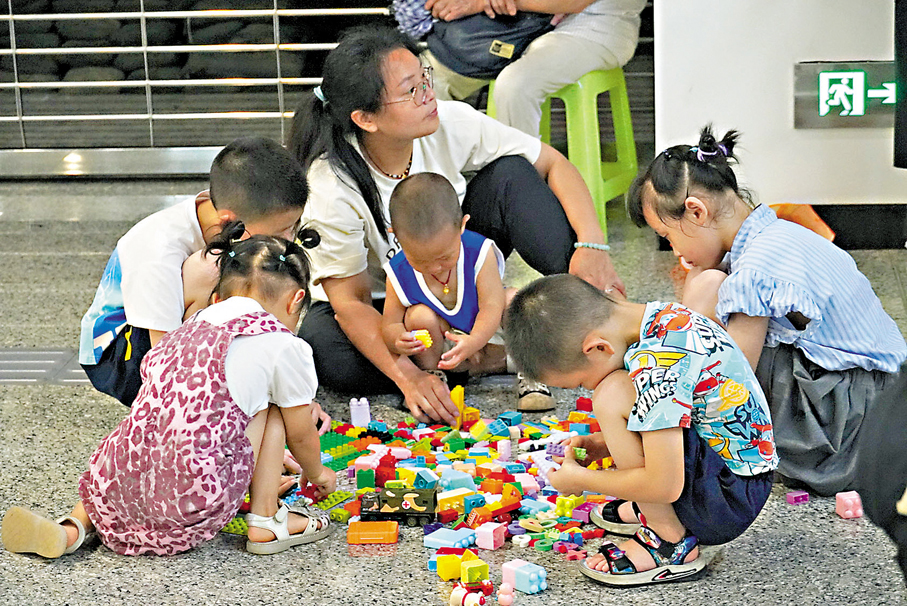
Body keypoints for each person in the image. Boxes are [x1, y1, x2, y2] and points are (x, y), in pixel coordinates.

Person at [288, 25, 622, 425]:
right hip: (391, 311)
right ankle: (489, 360)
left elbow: (553, 163)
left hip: (460, 274)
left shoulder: (449, 120)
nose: (428, 94)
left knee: (512, 175)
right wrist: (408, 377)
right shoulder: (330, 187)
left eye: (424, 78)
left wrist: (591, 244)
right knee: (324, 347)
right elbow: (350, 304)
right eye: (410, 91)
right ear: (365, 118)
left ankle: (597, 322)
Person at [2, 230, 336, 558]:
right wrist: (318, 473)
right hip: (192, 499)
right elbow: (301, 434)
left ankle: (73, 527)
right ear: (296, 301)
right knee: (277, 407)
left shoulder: (190, 327)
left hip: (122, 481)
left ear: (218, 298)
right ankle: (266, 520)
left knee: (137, 433)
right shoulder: (284, 345)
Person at [626, 125, 907, 496]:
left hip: (858, 422)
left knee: (707, 297)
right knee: (707, 291)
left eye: (668, 235)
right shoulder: (772, 237)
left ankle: (684, 447)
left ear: (696, 212)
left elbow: (734, 375)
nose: (676, 251)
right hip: (882, 400)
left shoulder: (756, 268)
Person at [504, 274, 777, 586]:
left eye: (580, 381)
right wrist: (603, 443)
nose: (585, 387)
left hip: (726, 501)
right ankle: (659, 513)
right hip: (737, 476)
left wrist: (581, 480)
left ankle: (667, 539)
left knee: (611, 394)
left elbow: (665, 485)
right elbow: (688, 415)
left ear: (597, 347)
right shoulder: (664, 318)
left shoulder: (656, 366)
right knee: (618, 391)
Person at [79, 136, 309, 407]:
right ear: (229, 219)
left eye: (293, 226)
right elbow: (161, 358)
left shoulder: (232, 211)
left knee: (263, 272)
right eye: (281, 230)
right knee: (218, 269)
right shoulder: (159, 250)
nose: (288, 239)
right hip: (123, 354)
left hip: (180, 334)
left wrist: (292, 394)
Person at [382, 172, 555, 410]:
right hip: (448, 353)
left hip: (490, 336)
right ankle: (434, 378)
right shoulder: (397, 272)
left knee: (513, 300)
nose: (435, 268)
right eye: (420, 261)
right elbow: (390, 322)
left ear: (462, 226)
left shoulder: (479, 252)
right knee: (417, 316)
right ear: (396, 237)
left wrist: (474, 341)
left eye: (444, 257)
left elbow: (492, 306)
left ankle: (530, 374)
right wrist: (396, 339)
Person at [421, 0, 646, 138]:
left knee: (515, 85)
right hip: (520, 28)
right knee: (422, 80)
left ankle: (520, 187)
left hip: (596, 29)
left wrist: (479, 3)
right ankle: (422, 188)